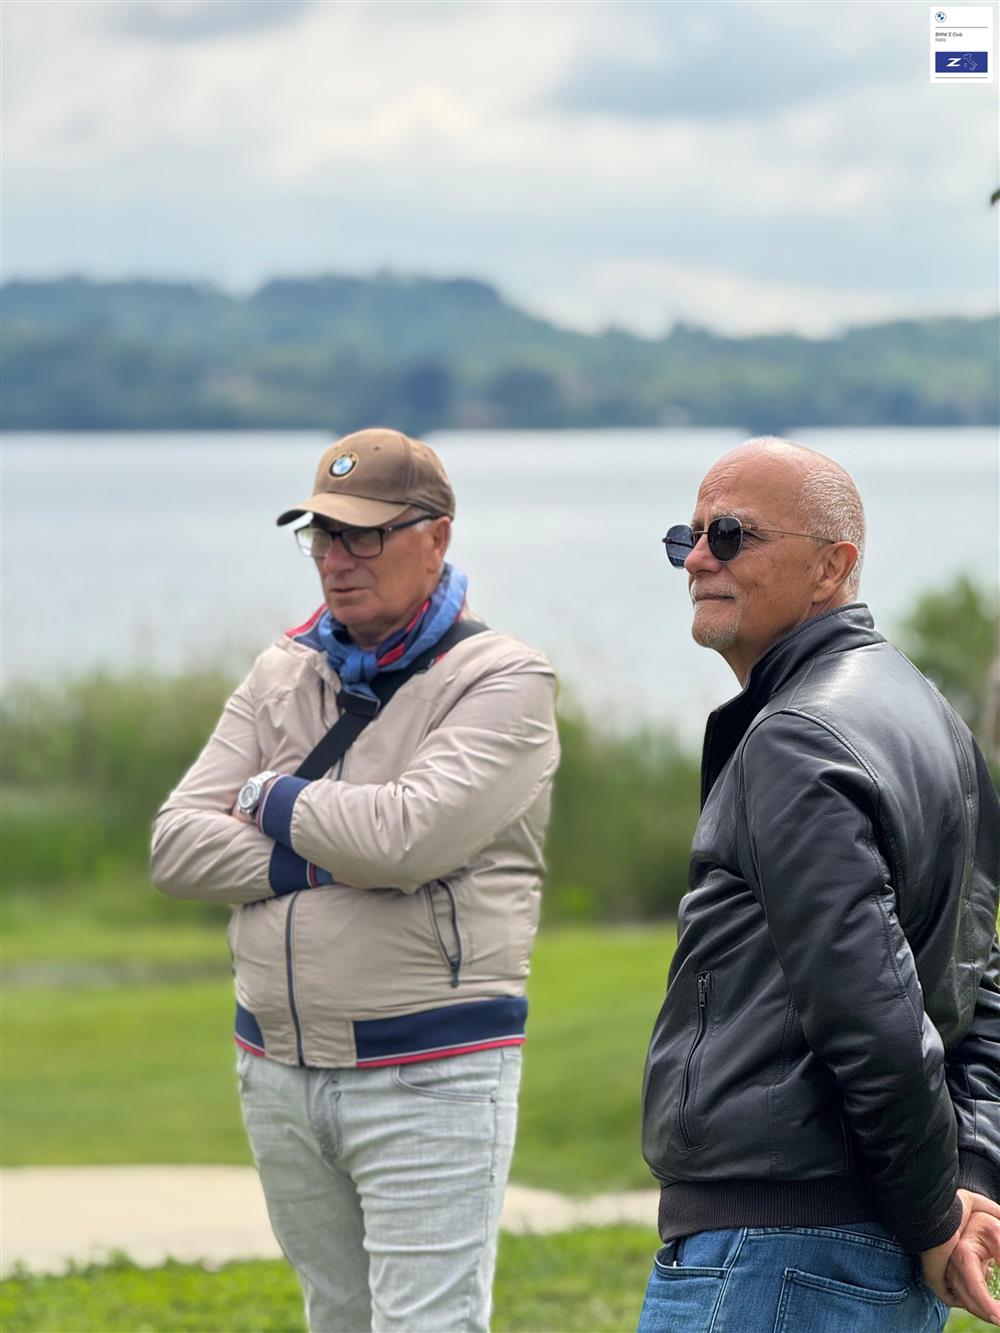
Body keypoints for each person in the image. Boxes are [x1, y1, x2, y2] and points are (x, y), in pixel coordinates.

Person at [150, 428, 560, 1333]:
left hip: (431, 1068)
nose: (337, 559)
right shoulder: (283, 669)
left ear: (437, 536)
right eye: (323, 534)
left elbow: (405, 839)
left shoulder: (504, 679)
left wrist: (264, 795)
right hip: (276, 1066)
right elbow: (175, 845)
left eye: (364, 534)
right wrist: (317, 857)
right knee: (334, 1321)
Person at [639, 437, 1000, 1332]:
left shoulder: (798, 737)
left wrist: (939, 1211)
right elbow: (979, 975)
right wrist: (969, 1176)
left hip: (778, 1251)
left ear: (832, 566)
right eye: (688, 535)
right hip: (853, 1247)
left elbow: (873, 1012)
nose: (697, 559)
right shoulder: (932, 717)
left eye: (731, 535)